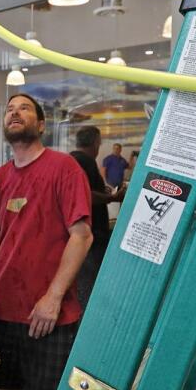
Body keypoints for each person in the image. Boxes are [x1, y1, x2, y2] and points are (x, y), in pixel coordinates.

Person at [0, 93, 94, 390]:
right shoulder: (1, 177)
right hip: (5, 304)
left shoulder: (63, 168)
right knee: (8, 381)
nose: (14, 112)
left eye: (24, 108)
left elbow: (82, 236)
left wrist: (53, 298)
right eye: (9, 108)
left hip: (49, 311)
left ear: (41, 125)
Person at [70, 126, 126, 303]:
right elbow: (85, 195)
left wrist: (103, 191)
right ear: (95, 142)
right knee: (88, 289)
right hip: (90, 238)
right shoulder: (85, 161)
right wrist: (112, 197)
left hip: (84, 236)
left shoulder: (71, 160)